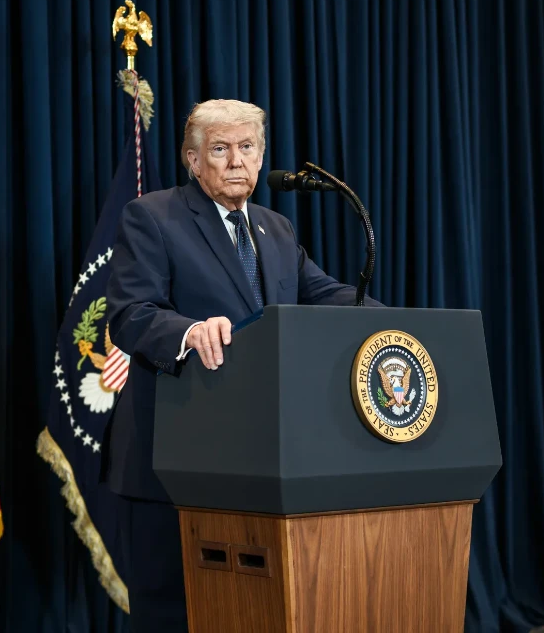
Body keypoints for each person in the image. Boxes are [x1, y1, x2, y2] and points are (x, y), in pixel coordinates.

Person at [101, 99, 379, 631]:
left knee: (248, 611)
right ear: (192, 159)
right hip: (173, 458)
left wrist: (393, 325)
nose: (236, 161)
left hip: (256, 461)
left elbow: (322, 293)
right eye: (220, 149)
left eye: (247, 148)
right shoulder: (153, 217)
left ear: (261, 156)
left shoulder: (276, 229)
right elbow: (130, 315)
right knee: (172, 615)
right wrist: (187, 330)